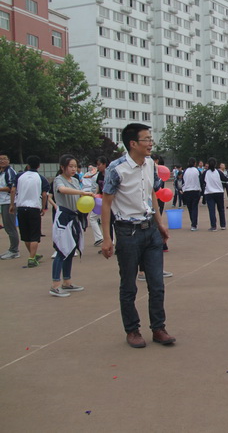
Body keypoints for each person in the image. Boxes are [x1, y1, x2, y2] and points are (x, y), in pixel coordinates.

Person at [100, 123, 175, 348]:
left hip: (150, 230)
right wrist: (107, 238)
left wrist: (160, 224)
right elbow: (106, 204)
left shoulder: (150, 164)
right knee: (129, 286)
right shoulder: (117, 168)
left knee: (157, 283)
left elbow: (152, 193)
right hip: (127, 232)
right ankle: (132, 330)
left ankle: (158, 328)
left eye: (151, 139)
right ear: (133, 143)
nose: (151, 143)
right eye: (146, 139)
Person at [50, 154, 95, 297]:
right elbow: (63, 190)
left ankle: (67, 281)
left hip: (74, 217)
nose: (73, 169)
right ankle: (55, 285)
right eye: (70, 166)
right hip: (64, 218)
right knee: (61, 250)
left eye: (75, 166)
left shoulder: (75, 180)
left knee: (70, 250)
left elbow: (79, 197)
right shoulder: (58, 179)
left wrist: (88, 196)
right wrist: (81, 192)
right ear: (62, 167)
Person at [9, 155, 49, 268]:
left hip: (21, 208)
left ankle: (33, 255)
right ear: (39, 166)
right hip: (34, 208)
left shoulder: (19, 176)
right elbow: (44, 195)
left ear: (27, 165)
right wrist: (43, 207)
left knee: (25, 234)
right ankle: (31, 258)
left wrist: (12, 204)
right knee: (35, 235)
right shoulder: (41, 178)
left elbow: (13, 190)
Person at [0, 151, 20, 260]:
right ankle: (12, 249)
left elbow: (11, 188)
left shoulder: (10, 172)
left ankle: (14, 250)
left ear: (8, 160)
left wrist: (12, 204)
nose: (2, 161)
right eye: (0, 159)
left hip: (9, 202)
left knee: (10, 227)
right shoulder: (2, 172)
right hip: (4, 202)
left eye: (4, 159)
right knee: (8, 227)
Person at [200, 158, 228, 231]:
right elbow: (225, 179)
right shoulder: (219, 172)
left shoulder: (205, 173)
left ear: (208, 164)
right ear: (216, 164)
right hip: (219, 192)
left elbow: (201, 181)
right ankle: (223, 225)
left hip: (209, 193)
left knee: (212, 210)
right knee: (221, 209)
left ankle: (213, 226)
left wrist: (205, 185)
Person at [182, 158, 201, 231]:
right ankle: (194, 224)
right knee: (194, 207)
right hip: (195, 190)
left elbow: (183, 181)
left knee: (190, 208)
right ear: (195, 163)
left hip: (187, 191)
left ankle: (192, 222)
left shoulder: (185, 171)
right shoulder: (197, 171)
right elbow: (201, 180)